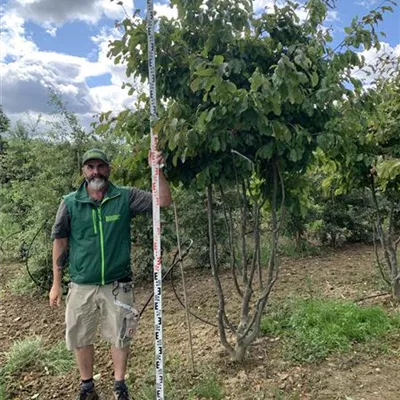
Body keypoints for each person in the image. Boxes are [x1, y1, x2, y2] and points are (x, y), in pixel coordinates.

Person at [49, 148, 172, 400]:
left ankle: (120, 386)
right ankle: (87, 386)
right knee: (81, 336)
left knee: (120, 336)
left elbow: (163, 201)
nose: (96, 171)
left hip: (118, 284)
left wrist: (157, 170)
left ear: (109, 169)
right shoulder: (70, 202)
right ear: (83, 171)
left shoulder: (125, 197)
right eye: (90, 167)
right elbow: (60, 241)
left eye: (100, 166)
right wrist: (56, 283)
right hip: (81, 284)